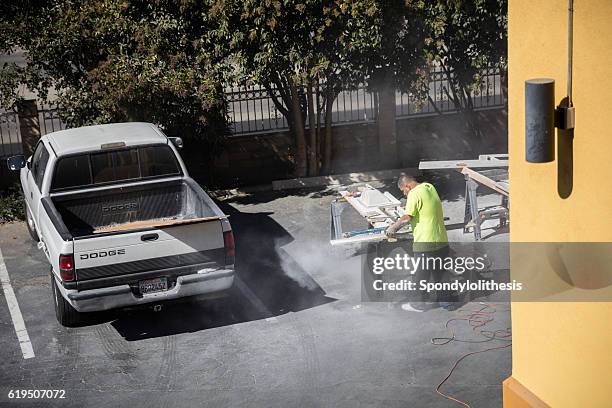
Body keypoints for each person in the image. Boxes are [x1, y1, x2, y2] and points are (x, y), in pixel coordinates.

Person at [386, 173, 453, 311]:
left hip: (425, 242)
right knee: (440, 273)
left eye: (403, 191)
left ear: (408, 186)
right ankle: (447, 303)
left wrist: (393, 228)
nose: (404, 194)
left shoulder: (414, 193)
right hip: (441, 239)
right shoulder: (429, 187)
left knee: (420, 275)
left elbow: (407, 217)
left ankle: (417, 304)